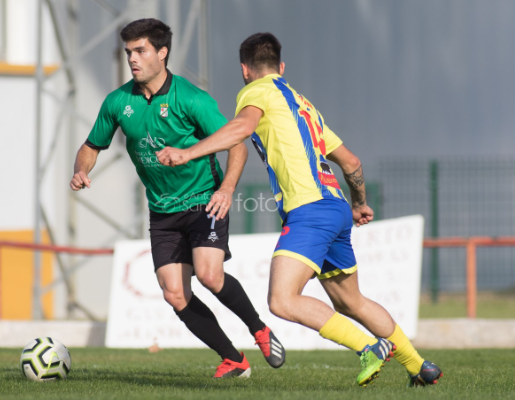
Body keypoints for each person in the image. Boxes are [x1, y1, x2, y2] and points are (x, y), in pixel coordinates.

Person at [156, 32, 443, 387]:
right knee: (351, 301)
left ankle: (368, 346)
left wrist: (187, 152)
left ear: (245, 70)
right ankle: (419, 366)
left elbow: (242, 128)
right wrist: (359, 203)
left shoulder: (255, 91)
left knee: (282, 300)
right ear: (282, 67)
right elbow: (351, 162)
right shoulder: (304, 105)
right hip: (335, 206)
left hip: (310, 210)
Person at [70, 20, 285, 379]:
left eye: (140, 51)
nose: (132, 59)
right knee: (175, 294)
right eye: (128, 52)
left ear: (162, 52)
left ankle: (259, 329)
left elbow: (236, 145)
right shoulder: (117, 102)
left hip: (204, 199)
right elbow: (91, 146)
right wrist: (81, 169)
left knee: (209, 275)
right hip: (162, 212)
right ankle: (233, 358)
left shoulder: (191, 98)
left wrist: (227, 189)